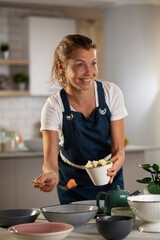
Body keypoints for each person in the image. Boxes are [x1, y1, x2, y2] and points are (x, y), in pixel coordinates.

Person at [34, 34, 128, 204]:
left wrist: (115, 164)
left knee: (113, 226)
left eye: (93, 63)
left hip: (109, 179)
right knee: (76, 230)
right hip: (72, 184)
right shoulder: (53, 106)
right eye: (80, 65)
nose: (89, 72)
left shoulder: (111, 93)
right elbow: (50, 163)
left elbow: (118, 151)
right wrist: (51, 174)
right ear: (61, 67)